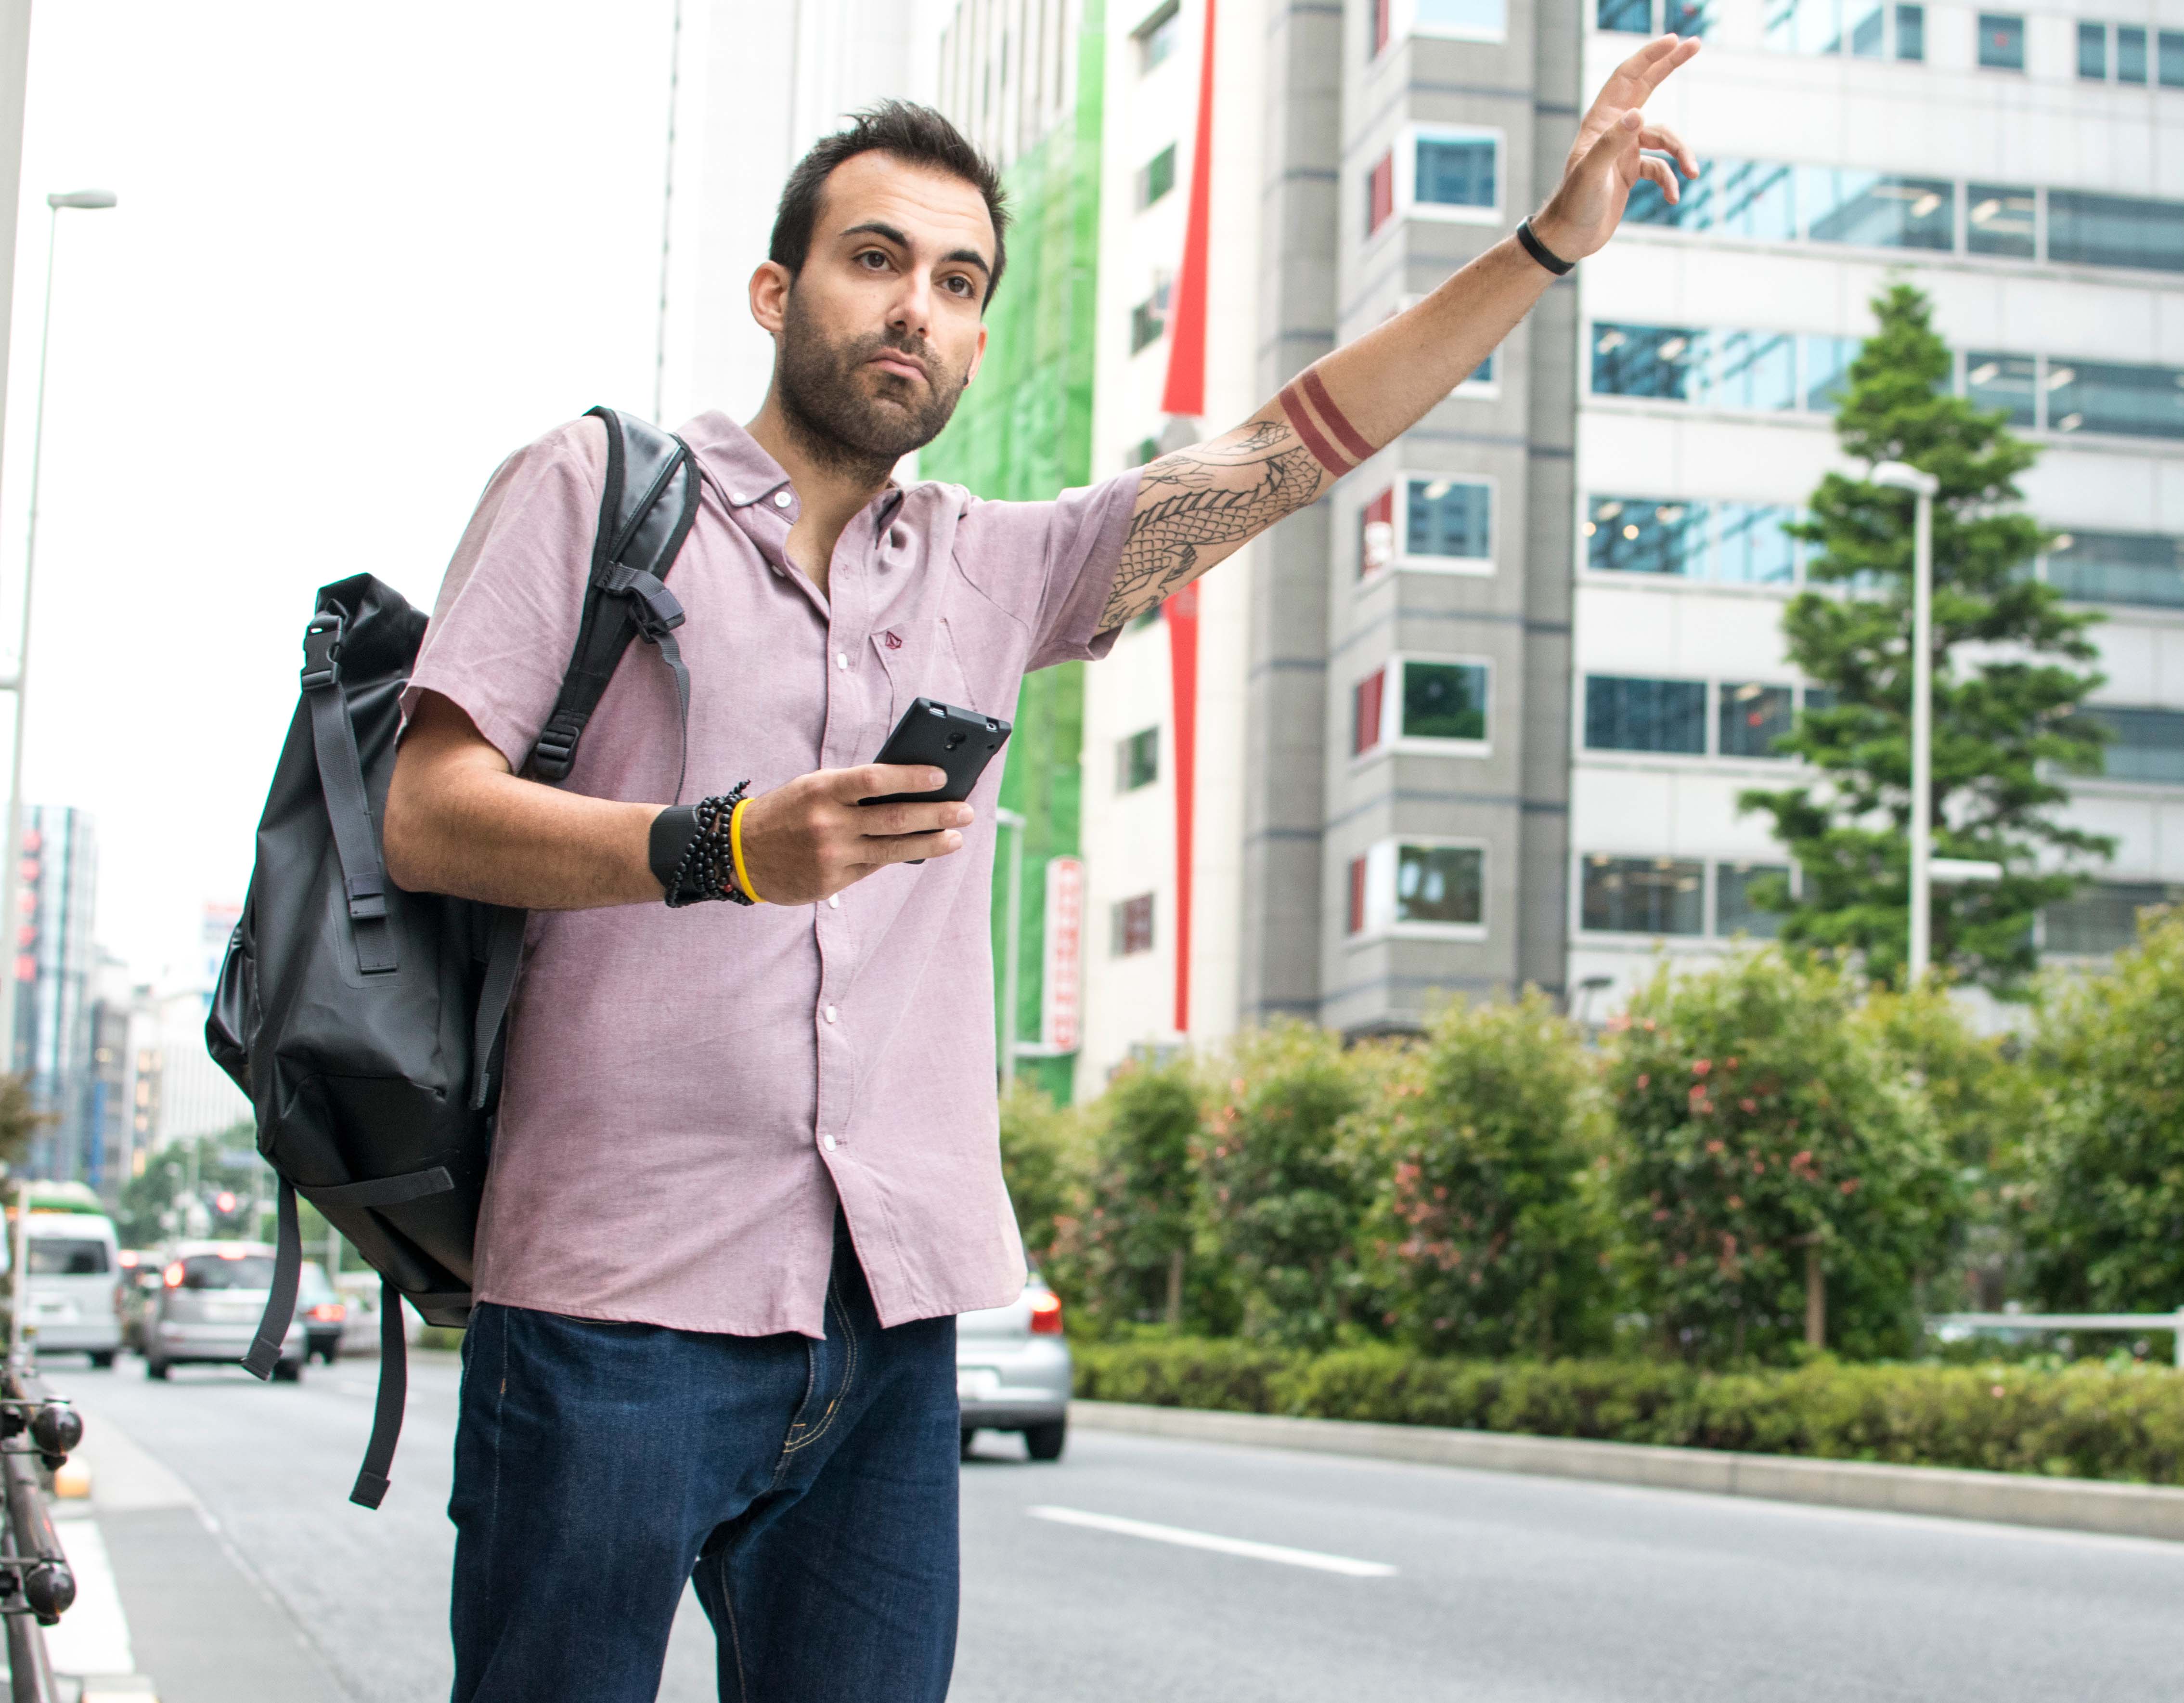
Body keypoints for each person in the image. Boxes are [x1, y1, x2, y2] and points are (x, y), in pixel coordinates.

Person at [382, 38, 1699, 1703]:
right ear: (777, 290)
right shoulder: (594, 491)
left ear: (982, 331)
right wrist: (716, 844)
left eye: (956, 280)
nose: (914, 308)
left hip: (889, 1318)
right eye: (875, 262)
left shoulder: (1004, 573)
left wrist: (1543, 248)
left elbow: (1297, 447)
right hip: (612, 1300)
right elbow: (430, 813)